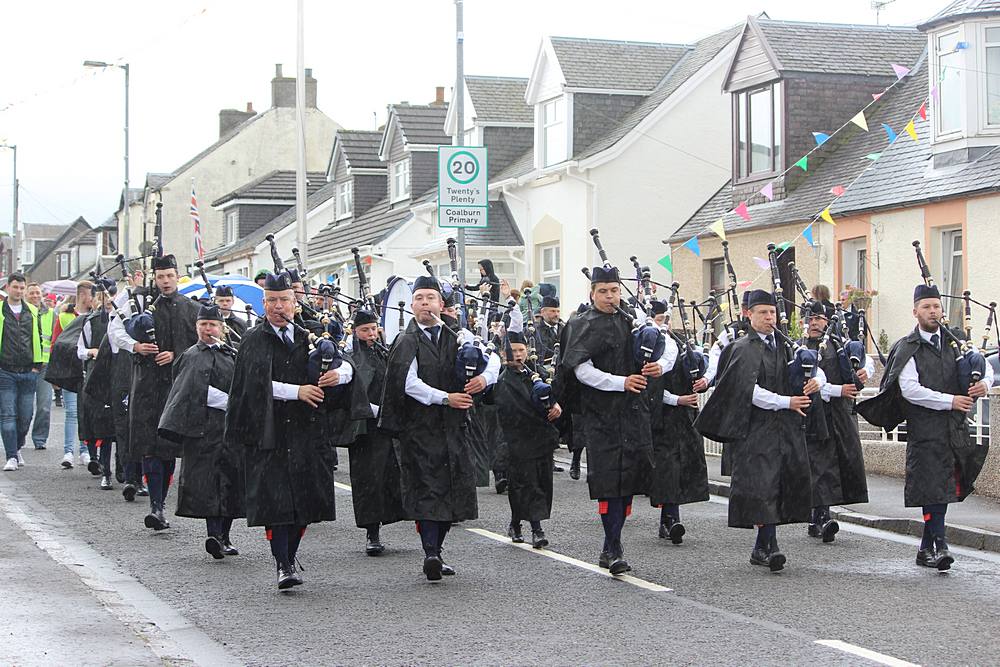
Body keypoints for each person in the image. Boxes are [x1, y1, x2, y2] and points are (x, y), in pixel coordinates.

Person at [225, 271, 368, 590]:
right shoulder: (253, 339)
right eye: (272, 301)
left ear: (295, 302)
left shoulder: (311, 335)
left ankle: (290, 555)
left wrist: (339, 376)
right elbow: (253, 384)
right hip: (270, 430)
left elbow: (344, 363)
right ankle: (283, 563)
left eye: (284, 300)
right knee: (276, 503)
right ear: (264, 304)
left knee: (305, 502)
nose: (279, 307)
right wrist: (297, 391)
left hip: (308, 431)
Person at [857, 284, 993, 571]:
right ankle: (940, 545)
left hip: (954, 429)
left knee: (943, 489)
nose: (933, 312)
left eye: (937, 306)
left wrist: (985, 383)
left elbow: (986, 364)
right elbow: (910, 390)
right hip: (925, 429)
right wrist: (951, 401)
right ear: (915, 311)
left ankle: (926, 548)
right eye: (927, 307)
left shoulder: (955, 340)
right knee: (932, 489)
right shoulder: (908, 347)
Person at [380, 275, 499, 581]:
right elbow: (409, 384)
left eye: (430, 298)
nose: (424, 304)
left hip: (453, 428)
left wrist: (484, 378)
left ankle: (438, 548)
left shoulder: (456, 336)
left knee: (450, 491)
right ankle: (430, 552)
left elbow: (494, 357)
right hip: (419, 429)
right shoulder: (406, 341)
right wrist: (447, 398)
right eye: (419, 298)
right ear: (413, 306)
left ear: (441, 305)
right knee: (428, 491)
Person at [695, 290, 822, 572]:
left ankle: (762, 546)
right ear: (748, 315)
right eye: (762, 313)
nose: (769, 318)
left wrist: (817, 382)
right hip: (755, 429)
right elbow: (748, 390)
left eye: (772, 313)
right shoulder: (742, 348)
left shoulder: (787, 346)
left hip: (785, 428)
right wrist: (784, 402)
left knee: (779, 485)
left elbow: (815, 367)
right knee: (763, 485)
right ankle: (769, 546)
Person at [558, 265, 665, 575]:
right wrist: (622, 382)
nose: (609, 296)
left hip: (633, 413)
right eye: (603, 291)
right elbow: (582, 370)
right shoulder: (582, 324)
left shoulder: (630, 320)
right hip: (601, 415)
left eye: (614, 290)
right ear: (592, 293)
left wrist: (657, 365)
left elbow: (664, 346)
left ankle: (612, 543)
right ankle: (612, 544)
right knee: (608, 481)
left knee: (629, 479)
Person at [159, 304, 244, 559]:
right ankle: (214, 534)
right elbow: (189, 390)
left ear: (222, 328)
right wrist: (228, 402)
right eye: (204, 325)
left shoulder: (232, 354)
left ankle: (225, 536)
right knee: (207, 484)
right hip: (203, 429)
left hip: (230, 430)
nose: (208, 329)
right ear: (197, 327)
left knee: (231, 481)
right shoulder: (191, 356)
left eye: (213, 325)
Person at [129, 255, 201, 532]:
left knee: (168, 448)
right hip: (148, 386)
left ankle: (161, 502)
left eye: (170, 276)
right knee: (149, 447)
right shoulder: (144, 307)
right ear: (154, 278)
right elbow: (119, 332)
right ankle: (156, 507)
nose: (166, 281)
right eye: (160, 277)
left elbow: (201, 344)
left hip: (177, 387)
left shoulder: (192, 309)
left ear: (177, 276)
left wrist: (176, 354)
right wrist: (136, 347)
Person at [801, 298, 872, 542]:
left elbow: (864, 358)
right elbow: (807, 382)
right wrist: (836, 390)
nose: (813, 323)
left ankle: (820, 515)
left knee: (838, 462)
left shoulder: (837, 343)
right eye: (809, 319)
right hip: (814, 413)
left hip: (841, 414)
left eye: (818, 319)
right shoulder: (799, 347)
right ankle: (820, 517)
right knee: (819, 464)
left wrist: (865, 371)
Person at [647, 300, 709, 543]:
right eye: (660, 319)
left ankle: (671, 518)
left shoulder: (681, 346)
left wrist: (703, 380)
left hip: (685, 419)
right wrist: (677, 400)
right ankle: (670, 520)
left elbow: (700, 373)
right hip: (663, 418)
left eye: (666, 319)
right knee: (668, 469)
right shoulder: (651, 348)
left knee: (684, 468)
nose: (665, 324)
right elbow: (651, 389)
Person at [345, 309, 405, 556]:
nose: (370, 334)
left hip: (387, 426)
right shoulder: (351, 360)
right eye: (364, 330)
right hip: (365, 428)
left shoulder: (385, 353)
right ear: (355, 332)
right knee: (368, 481)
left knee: (392, 475)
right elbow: (353, 394)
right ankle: (372, 533)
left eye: (373, 329)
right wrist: (376, 410)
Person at [496, 329, 562, 548]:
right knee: (526, 484)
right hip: (519, 440)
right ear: (504, 354)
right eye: (513, 350)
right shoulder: (504, 380)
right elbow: (512, 410)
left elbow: (553, 394)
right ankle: (536, 529)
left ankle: (515, 522)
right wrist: (540, 410)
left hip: (542, 438)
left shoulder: (537, 371)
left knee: (541, 483)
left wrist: (556, 407)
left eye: (521, 350)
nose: (518, 354)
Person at [108, 271, 147, 501]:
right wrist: (135, 346)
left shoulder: (158, 301)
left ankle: (143, 476)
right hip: (126, 366)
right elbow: (114, 333)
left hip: (151, 370)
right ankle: (130, 474)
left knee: (145, 425)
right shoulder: (126, 302)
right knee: (127, 424)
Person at [0, 274, 43, 472]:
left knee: (25, 416)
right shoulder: (1, 311)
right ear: (8, 287)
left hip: (28, 370)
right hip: (5, 371)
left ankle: (16, 448)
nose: (18, 291)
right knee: (8, 415)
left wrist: (37, 366)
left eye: (21, 288)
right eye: (15, 287)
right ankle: (11, 456)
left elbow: (40, 339)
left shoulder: (33, 311)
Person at [77, 286, 117, 488]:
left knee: (121, 426)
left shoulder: (123, 318)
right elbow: (80, 350)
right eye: (104, 295)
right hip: (98, 375)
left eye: (112, 295)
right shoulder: (92, 321)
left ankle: (125, 471)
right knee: (100, 422)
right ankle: (103, 468)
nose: (108, 299)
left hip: (119, 375)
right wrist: (92, 352)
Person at [53, 283, 94, 469]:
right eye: (89, 294)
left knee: (87, 413)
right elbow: (56, 344)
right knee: (71, 413)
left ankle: (85, 450)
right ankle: (68, 451)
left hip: (91, 371)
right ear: (82, 295)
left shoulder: (95, 317)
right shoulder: (64, 317)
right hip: (71, 371)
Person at [25, 283, 53, 451]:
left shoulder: (51, 313)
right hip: (26, 365)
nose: (35, 296)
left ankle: (40, 439)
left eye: (38, 293)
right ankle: (19, 437)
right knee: (25, 408)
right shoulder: (22, 314)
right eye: (32, 293)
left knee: (44, 405)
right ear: (26, 296)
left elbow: (55, 339)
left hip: (45, 365)